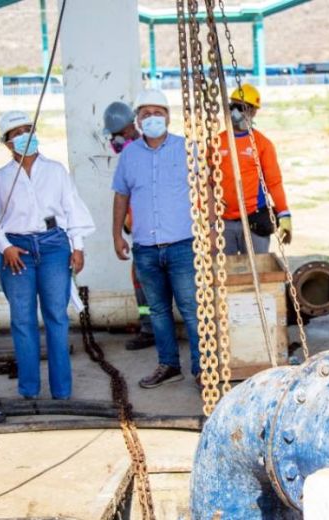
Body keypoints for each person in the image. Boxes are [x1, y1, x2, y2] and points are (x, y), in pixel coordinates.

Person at [0, 110, 95, 400]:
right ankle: (29, 390)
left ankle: (62, 391)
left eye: (28, 129)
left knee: (56, 317)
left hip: (53, 246)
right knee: (22, 320)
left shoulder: (56, 170)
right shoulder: (0, 179)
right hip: (16, 250)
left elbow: (71, 207)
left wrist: (78, 246)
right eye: (17, 133)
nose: (24, 136)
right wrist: (5, 246)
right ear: (7, 143)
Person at [111, 89, 202, 389]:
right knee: (159, 311)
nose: (152, 118)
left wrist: (211, 228)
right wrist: (116, 236)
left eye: (158, 112)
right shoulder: (129, 155)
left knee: (190, 308)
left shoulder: (187, 149)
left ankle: (203, 369)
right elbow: (121, 196)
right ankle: (168, 365)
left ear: (168, 117)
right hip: (145, 249)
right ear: (137, 120)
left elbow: (208, 189)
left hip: (182, 245)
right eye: (146, 113)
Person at [217, 83, 292, 254]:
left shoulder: (262, 144)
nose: (238, 112)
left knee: (258, 269)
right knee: (226, 273)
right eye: (234, 106)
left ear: (254, 111)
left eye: (244, 108)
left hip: (254, 220)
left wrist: (284, 214)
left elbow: (274, 182)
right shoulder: (217, 142)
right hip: (224, 221)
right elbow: (205, 181)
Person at [104, 101, 154, 351]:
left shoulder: (141, 151)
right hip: (137, 230)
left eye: (115, 135)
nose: (113, 141)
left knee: (148, 279)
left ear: (125, 131)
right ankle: (148, 325)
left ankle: (151, 328)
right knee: (140, 279)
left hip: (150, 232)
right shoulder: (131, 153)